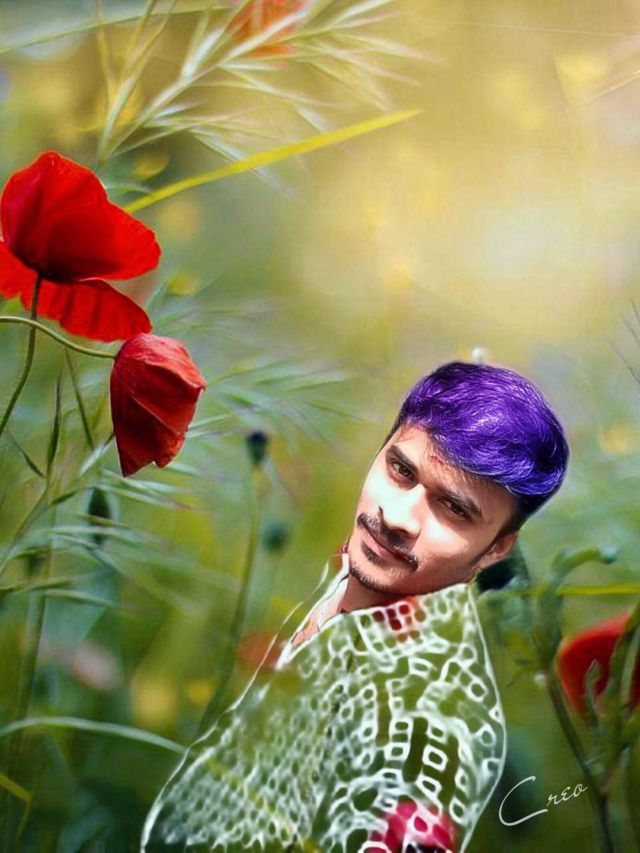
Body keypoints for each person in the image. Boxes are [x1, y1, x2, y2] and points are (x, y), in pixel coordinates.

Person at [141, 361, 569, 853]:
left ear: (497, 550)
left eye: (453, 508)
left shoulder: (438, 730)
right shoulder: (336, 593)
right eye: (401, 470)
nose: (398, 517)